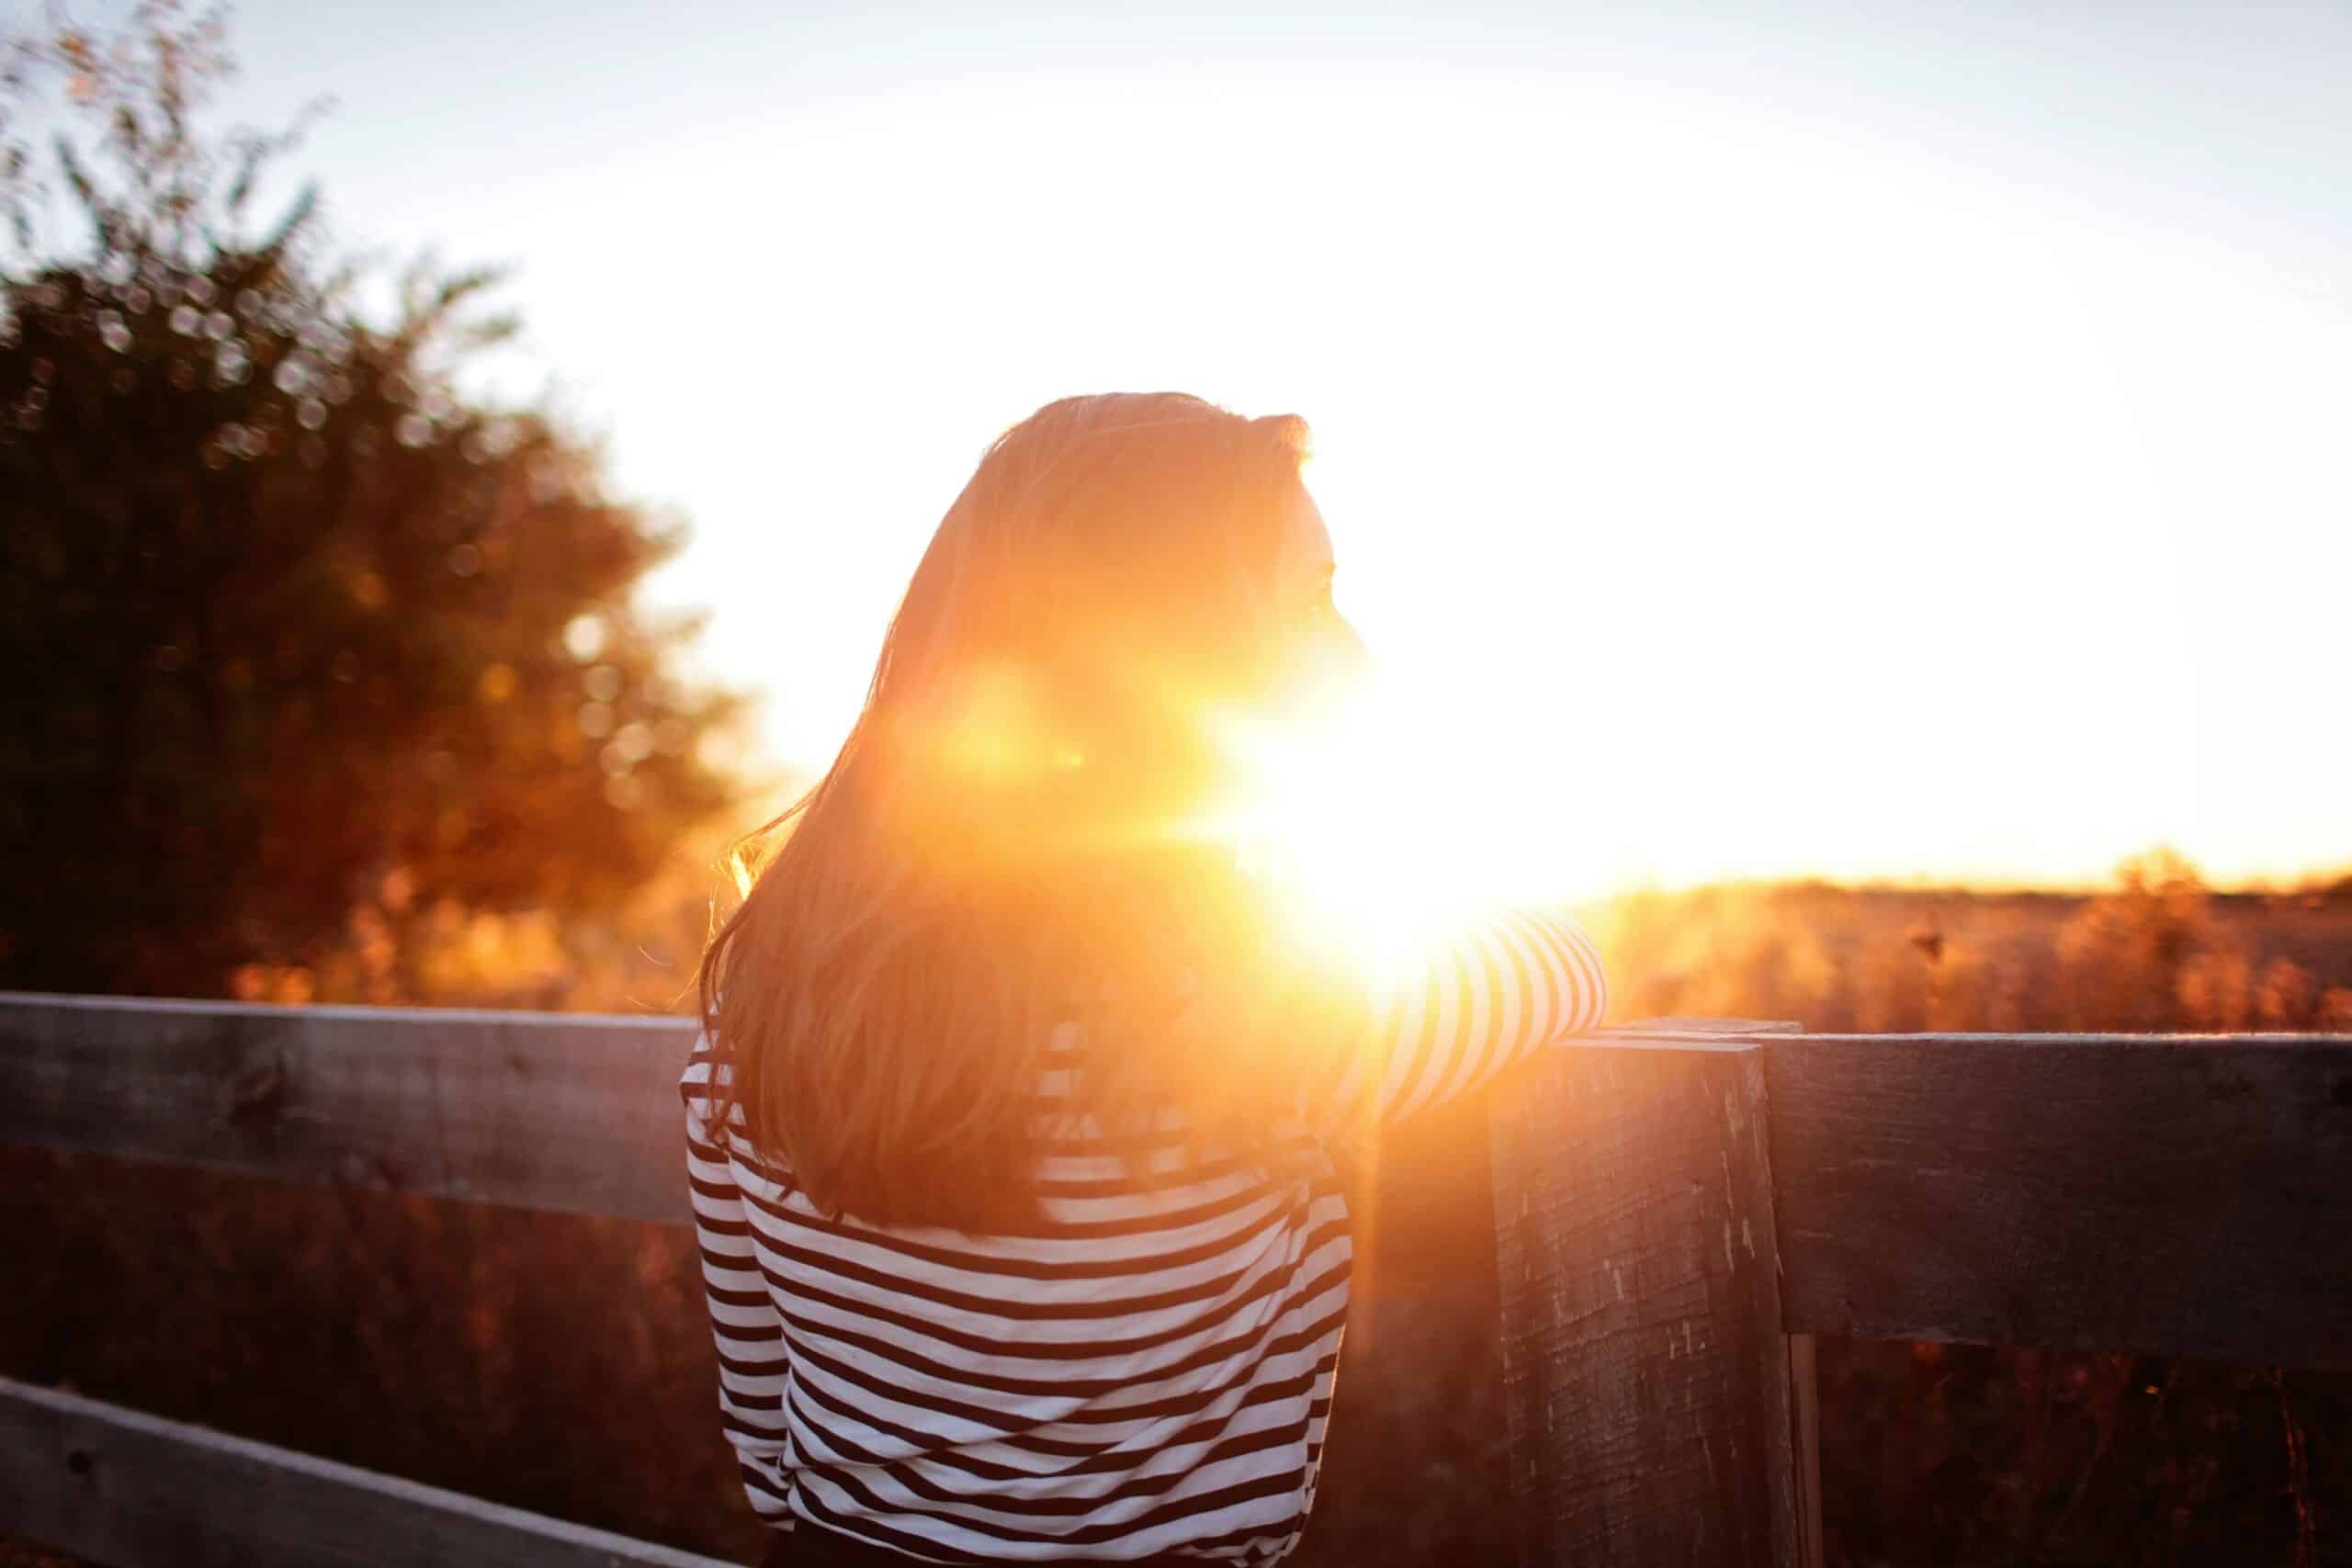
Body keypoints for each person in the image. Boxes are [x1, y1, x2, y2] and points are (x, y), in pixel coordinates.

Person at [682, 392, 1608, 1565]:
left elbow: (759, 1408)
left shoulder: (765, 978)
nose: (1360, 653)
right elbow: (1566, 964)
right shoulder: (1248, 998)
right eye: (1314, 597)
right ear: (1177, 642)